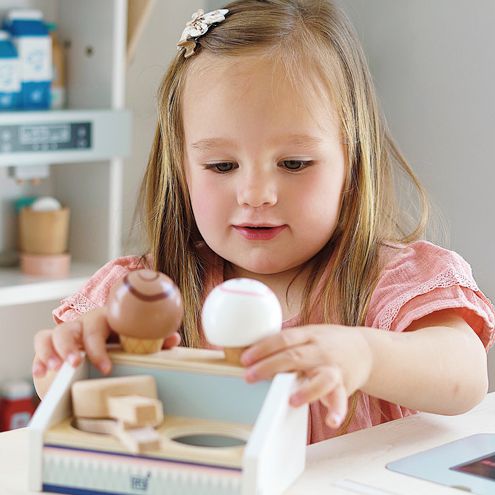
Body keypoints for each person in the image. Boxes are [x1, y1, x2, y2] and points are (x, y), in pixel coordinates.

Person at [32, 0, 494, 444]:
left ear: (351, 163)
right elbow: (59, 392)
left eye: (293, 163)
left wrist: (365, 354)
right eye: (220, 166)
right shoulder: (142, 293)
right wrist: (74, 360)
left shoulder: (391, 283)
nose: (256, 194)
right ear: (182, 169)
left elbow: (464, 375)